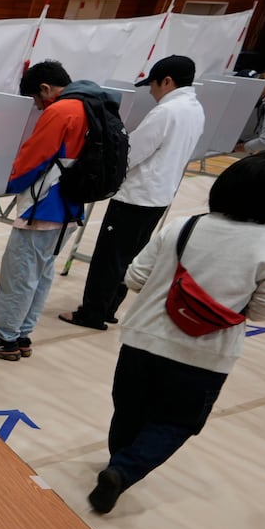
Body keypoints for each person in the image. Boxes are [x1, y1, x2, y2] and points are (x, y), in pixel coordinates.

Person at [89, 152, 265, 513]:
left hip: (143, 338)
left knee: (129, 409)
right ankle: (123, 470)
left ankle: (118, 463)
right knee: (176, 420)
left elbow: (134, 276)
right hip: (206, 355)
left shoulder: (183, 226)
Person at [0, 60, 103, 362]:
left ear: (44, 89)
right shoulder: (94, 104)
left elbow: (34, 159)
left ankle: (6, 338)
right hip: (71, 206)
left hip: (45, 206)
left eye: (36, 101)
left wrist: (3, 182)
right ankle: (22, 334)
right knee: (41, 274)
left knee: (19, 274)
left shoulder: (62, 110)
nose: (38, 108)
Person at [61, 54, 206, 332]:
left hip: (137, 195)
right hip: (160, 195)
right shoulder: (194, 108)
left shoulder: (167, 111)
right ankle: (109, 308)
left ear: (167, 81)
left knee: (109, 257)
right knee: (129, 256)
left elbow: (132, 153)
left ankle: (91, 313)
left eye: (153, 84)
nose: (151, 91)